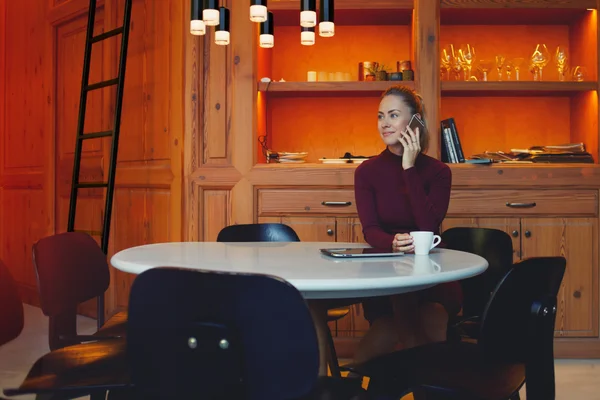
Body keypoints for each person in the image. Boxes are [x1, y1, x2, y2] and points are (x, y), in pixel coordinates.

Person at [352, 85, 461, 364]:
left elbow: (428, 227)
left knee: (433, 315)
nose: (384, 123)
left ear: (414, 122)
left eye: (393, 115)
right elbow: (370, 229)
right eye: (380, 116)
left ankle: (429, 386)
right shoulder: (366, 172)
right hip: (386, 271)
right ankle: (370, 381)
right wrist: (391, 242)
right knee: (397, 317)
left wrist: (409, 168)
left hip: (432, 274)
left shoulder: (438, 172)